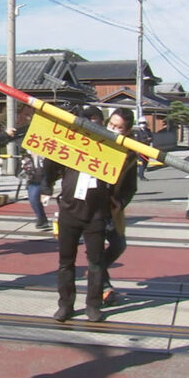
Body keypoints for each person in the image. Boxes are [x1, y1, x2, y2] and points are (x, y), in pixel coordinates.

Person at [41, 105, 110, 323]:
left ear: (101, 122)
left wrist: (118, 202)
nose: (90, 123)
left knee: (96, 262)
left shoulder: (109, 147)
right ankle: (65, 304)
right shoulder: (69, 144)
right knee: (65, 260)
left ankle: (93, 305)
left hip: (97, 212)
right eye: (85, 120)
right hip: (69, 209)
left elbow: (124, 181)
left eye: (94, 120)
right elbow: (49, 165)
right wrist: (46, 187)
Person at [102, 108, 138, 306]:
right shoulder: (94, 140)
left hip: (112, 208)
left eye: (119, 128)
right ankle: (104, 287)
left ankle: (97, 273)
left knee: (119, 244)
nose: (113, 129)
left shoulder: (130, 153)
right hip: (90, 206)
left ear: (128, 131)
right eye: (111, 125)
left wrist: (121, 202)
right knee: (95, 250)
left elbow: (131, 187)